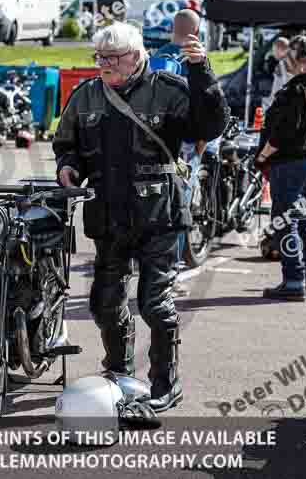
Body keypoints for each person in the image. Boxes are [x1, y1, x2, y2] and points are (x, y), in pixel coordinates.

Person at [52, 22, 228, 412]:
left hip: (159, 214)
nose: (104, 66)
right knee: (104, 303)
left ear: (136, 56)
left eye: (112, 59)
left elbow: (210, 124)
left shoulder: (168, 89)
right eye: (99, 58)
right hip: (108, 216)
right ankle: (119, 371)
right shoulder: (86, 95)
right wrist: (68, 167)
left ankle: (166, 382)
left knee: (155, 303)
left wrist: (202, 72)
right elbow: (67, 144)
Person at [254, 35, 306, 302]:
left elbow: (282, 133)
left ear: (304, 61)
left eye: (292, 54)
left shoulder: (295, 92)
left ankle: (294, 281)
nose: (285, 59)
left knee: (287, 223)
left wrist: (262, 156)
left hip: (292, 163)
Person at [156, 10, 221, 290]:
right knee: (180, 209)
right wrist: (201, 144)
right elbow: (207, 107)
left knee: (156, 205)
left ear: (173, 28)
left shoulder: (152, 58)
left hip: (153, 144)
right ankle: (171, 274)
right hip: (184, 147)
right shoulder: (194, 60)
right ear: (196, 32)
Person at [264, 37, 291, 111]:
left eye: (274, 50)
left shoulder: (283, 65)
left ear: (280, 49)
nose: (273, 52)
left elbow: (283, 86)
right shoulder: (287, 62)